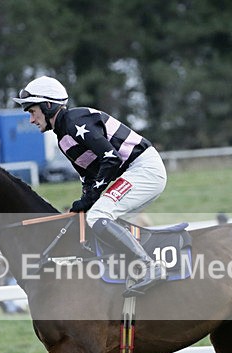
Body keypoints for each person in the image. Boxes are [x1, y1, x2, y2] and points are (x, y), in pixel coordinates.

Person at [14, 75, 167, 296]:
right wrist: (83, 203)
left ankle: (149, 267)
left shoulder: (75, 122)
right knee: (93, 216)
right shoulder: (63, 137)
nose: (31, 119)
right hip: (135, 171)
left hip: (144, 169)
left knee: (98, 216)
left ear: (48, 106)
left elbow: (110, 159)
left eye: (32, 111)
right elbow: (88, 177)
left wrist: (89, 200)